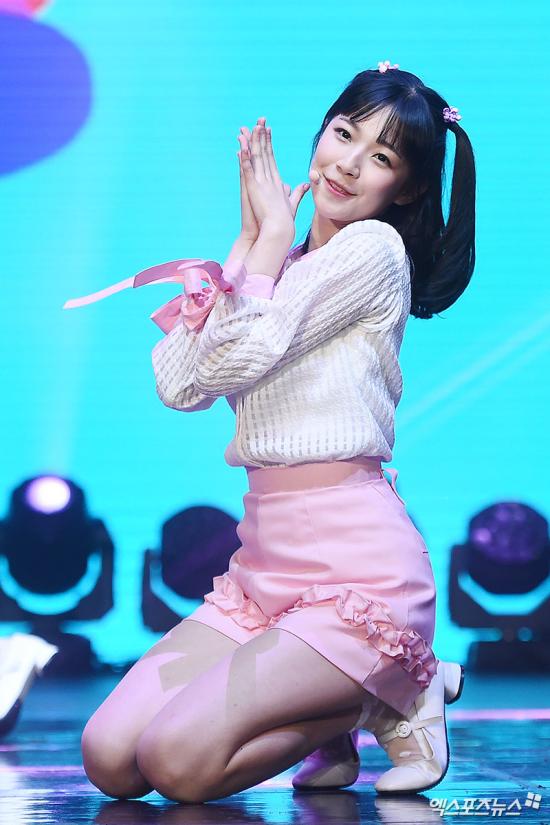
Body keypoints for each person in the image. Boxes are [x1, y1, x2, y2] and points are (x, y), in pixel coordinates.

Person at [75, 59, 476, 802]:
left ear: (407, 188)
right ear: (321, 133)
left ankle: (387, 692)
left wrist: (263, 249)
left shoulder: (372, 252)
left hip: (357, 579)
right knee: (109, 758)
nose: (348, 164)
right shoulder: (280, 267)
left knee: (175, 764)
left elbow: (245, 352)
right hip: (264, 571)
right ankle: (336, 718)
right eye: (344, 134)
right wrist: (251, 241)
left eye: (381, 158)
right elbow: (181, 386)